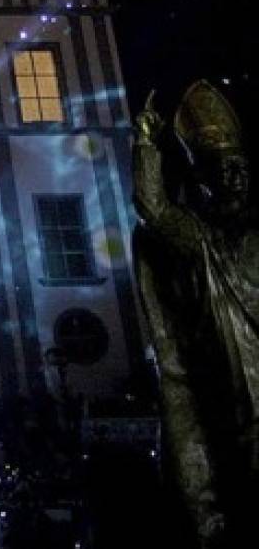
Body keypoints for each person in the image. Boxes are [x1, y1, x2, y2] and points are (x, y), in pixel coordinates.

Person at [133, 82, 257, 547]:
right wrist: (146, 143)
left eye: (240, 168)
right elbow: (154, 209)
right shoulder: (199, 237)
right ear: (206, 181)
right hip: (227, 381)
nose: (234, 178)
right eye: (224, 170)